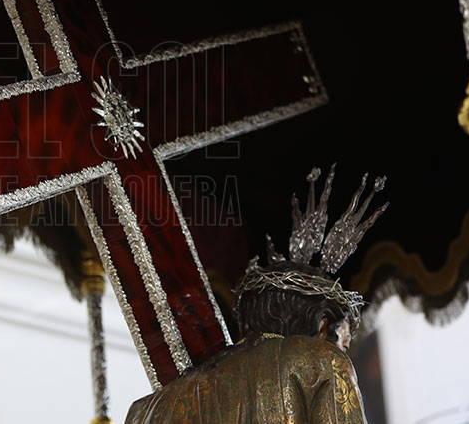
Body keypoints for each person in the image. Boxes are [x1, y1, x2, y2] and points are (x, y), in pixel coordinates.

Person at [125, 166, 387, 424]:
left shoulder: (145, 410)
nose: (342, 354)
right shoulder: (322, 362)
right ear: (322, 325)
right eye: (343, 345)